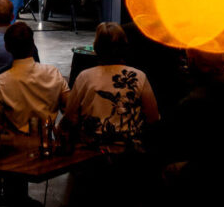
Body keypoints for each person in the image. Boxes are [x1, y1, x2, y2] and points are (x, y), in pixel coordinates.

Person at [64, 22, 160, 152]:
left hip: (91, 152)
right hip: (129, 152)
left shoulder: (84, 77)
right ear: (125, 47)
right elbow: (153, 118)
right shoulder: (138, 77)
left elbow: (70, 117)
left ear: (96, 47)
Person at [0, 22, 68, 135]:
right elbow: (70, 109)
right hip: (46, 141)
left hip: (14, 144)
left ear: (7, 47)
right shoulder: (53, 73)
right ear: (33, 44)